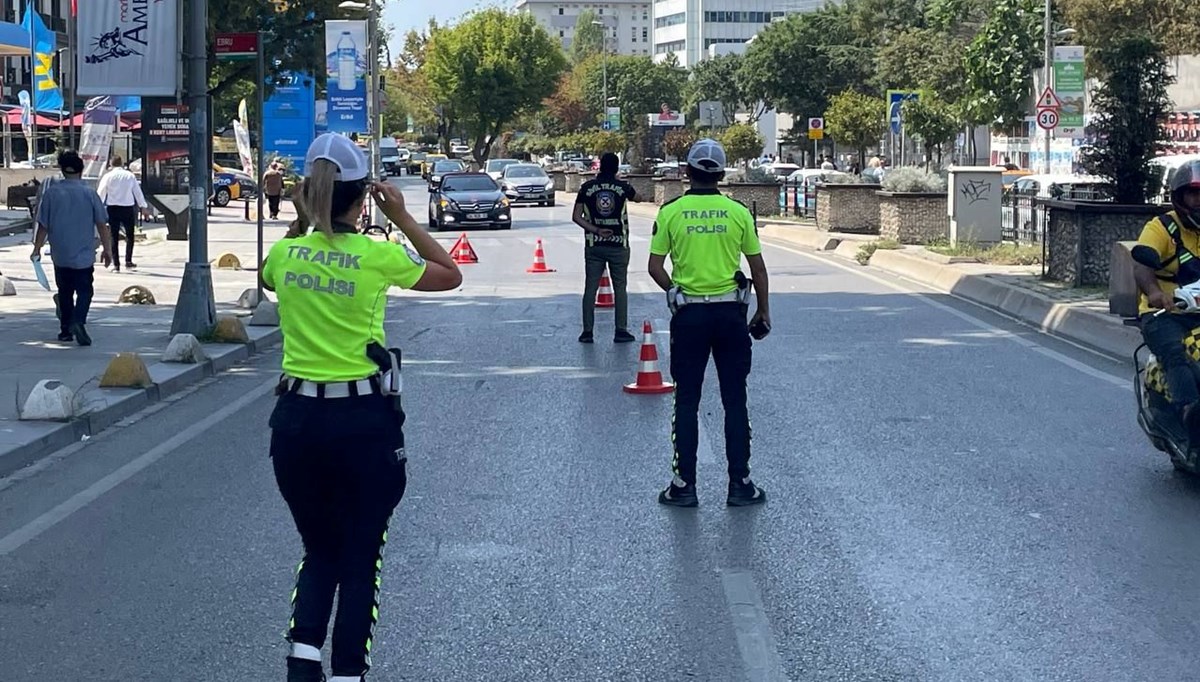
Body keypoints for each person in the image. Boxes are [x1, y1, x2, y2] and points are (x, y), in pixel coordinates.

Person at [260, 133, 462, 682]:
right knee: (361, 555)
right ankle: (349, 672)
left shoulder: (284, 253)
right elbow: (449, 274)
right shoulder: (378, 255)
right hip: (362, 425)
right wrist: (403, 217)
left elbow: (271, 275)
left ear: (307, 192)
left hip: (296, 426)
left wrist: (305, 219)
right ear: (364, 197)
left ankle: (302, 665)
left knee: (319, 547)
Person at [647, 138, 771, 508]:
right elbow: (758, 269)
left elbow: (655, 267)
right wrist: (762, 312)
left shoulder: (671, 212)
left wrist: (676, 293)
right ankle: (740, 484)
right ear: (721, 173)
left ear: (687, 172)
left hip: (690, 317)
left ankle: (684, 486)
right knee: (735, 400)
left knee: (686, 401)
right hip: (730, 317)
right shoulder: (737, 213)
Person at [1132, 159, 1200, 435]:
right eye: (1193, 194)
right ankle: (1189, 409)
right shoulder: (1161, 227)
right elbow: (1142, 263)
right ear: (1180, 197)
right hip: (1165, 313)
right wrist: (1156, 293)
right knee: (1174, 351)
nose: (1199, 200)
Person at [30, 150, 113, 346]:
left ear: (61, 169)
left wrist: (37, 249)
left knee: (65, 291)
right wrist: (108, 250)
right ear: (81, 170)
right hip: (83, 253)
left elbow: (43, 225)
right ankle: (79, 320)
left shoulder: (51, 194)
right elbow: (102, 224)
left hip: (60, 253)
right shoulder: (89, 194)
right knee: (85, 291)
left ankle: (66, 330)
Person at [573, 152, 641, 344]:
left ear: (600, 166)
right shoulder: (622, 187)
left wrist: (595, 229)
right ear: (617, 167)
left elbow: (576, 216)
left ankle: (587, 332)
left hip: (594, 245)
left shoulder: (586, 188)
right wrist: (621, 183)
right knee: (620, 288)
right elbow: (639, 197)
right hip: (619, 244)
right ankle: (621, 330)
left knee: (590, 288)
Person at [96, 155, 150, 272]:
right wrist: (143, 207)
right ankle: (128, 261)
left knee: (113, 236)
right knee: (130, 235)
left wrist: (97, 207)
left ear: (111, 164)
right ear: (122, 163)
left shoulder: (108, 176)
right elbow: (137, 192)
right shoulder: (129, 176)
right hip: (128, 208)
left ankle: (116, 264)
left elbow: (100, 193)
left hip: (113, 208)